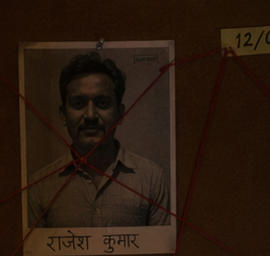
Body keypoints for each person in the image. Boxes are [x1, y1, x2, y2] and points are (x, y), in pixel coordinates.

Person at [26, 53, 169, 229]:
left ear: (120, 113)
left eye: (102, 103)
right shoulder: (39, 186)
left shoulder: (152, 179)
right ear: (63, 115)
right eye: (78, 104)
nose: (90, 116)